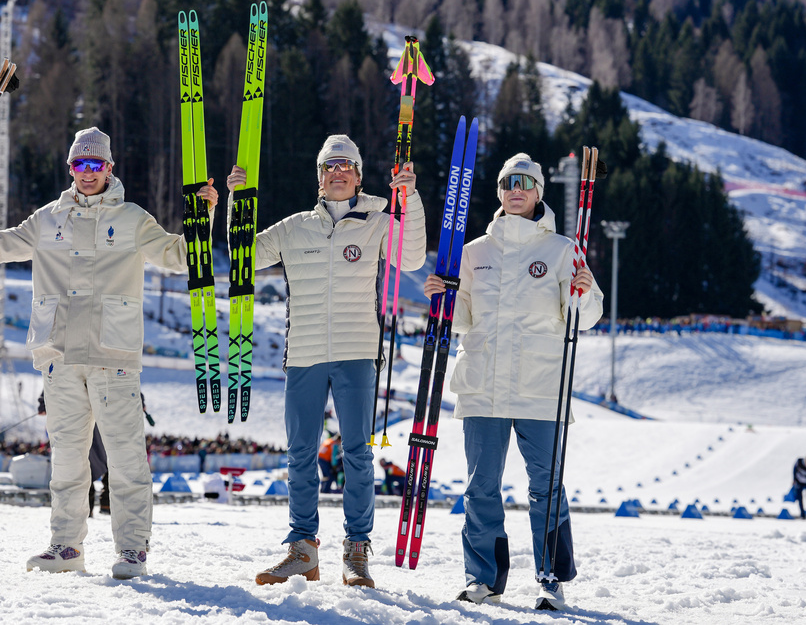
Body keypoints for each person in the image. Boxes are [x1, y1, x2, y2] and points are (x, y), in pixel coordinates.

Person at [0, 127, 217, 579]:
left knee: (127, 457)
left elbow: (179, 257)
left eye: (96, 164)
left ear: (110, 168)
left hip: (113, 356)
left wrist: (201, 215)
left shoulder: (132, 218)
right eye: (79, 165)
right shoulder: (48, 218)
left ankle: (132, 551)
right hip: (60, 357)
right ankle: (66, 546)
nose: (87, 173)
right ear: (70, 169)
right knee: (67, 459)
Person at [228, 134, 426, 589]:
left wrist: (409, 198)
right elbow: (245, 255)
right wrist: (238, 201)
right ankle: (302, 549)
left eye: (347, 167)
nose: (338, 173)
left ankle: (356, 550)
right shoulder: (295, 227)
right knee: (300, 453)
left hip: (357, 353)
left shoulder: (379, 221)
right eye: (329, 167)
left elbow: (412, 257)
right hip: (305, 354)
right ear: (319, 178)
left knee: (357, 452)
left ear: (358, 176)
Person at [424, 153, 603, 610]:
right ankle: (483, 577)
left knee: (547, 483)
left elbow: (584, 317)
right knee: (480, 487)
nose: (516, 189)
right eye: (508, 182)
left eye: (525, 182)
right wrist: (441, 298)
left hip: (540, 387)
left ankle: (550, 577)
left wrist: (583, 292)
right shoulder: (474, 253)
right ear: (500, 192)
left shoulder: (563, 250)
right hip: (483, 384)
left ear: (540, 191)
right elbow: (461, 318)